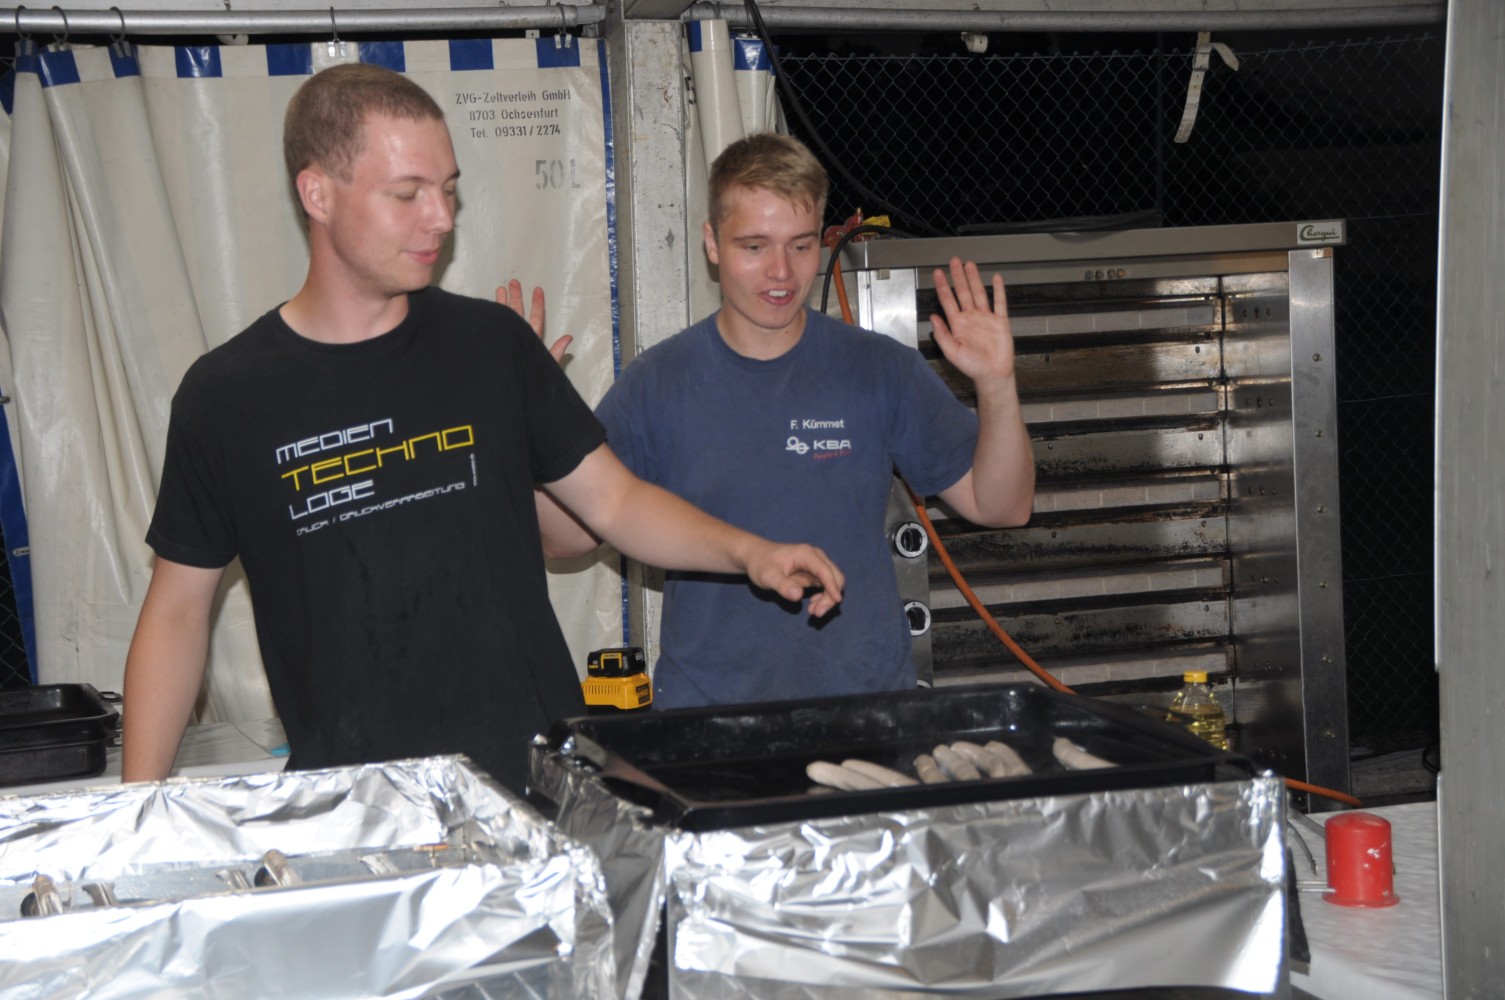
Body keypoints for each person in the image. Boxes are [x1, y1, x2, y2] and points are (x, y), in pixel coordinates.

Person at [120, 66, 844, 793]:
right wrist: (136, 813)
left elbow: (617, 503)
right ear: (318, 194)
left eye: (448, 189)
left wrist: (750, 552)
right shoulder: (227, 396)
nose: (441, 217)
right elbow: (178, 610)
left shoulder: (490, 345)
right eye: (408, 193)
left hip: (537, 791)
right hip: (359, 804)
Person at [535, 132, 1034, 710]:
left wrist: (997, 384)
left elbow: (1003, 506)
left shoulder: (880, 369)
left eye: (800, 246)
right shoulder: (657, 384)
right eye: (754, 246)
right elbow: (564, 539)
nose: (781, 272)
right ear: (712, 243)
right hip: (710, 719)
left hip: (867, 707)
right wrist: (535, 423)